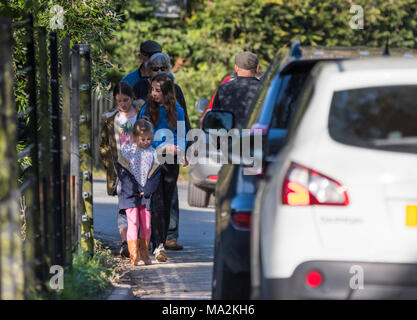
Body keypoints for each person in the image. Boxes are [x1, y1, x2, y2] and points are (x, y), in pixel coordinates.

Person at [134, 53, 191, 251]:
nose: (154, 93)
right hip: (152, 159)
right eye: (152, 89)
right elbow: (141, 136)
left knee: (166, 201)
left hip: (171, 160)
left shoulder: (178, 110)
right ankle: (153, 240)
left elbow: (182, 135)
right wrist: (160, 147)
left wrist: (182, 151)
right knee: (154, 200)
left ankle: (162, 241)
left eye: (157, 91)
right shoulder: (146, 110)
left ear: (167, 92)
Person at [100, 81, 139, 258]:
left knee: (141, 206)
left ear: (132, 98)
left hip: (140, 167)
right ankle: (125, 242)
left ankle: (140, 239)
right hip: (121, 169)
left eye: (125, 100)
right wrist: (110, 166)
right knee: (123, 206)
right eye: (119, 101)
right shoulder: (111, 120)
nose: (123, 104)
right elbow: (104, 146)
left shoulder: (141, 116)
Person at [115, 119, 160, 266]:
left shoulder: (153, 153)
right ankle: (134, 256)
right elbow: (124, 175)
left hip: (146, 195)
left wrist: (147, 190)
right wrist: (135, 190)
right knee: (133, 224)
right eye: (143, 139)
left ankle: (145, 253)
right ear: (135, 137)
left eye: (149, 139)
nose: (146, 142)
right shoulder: (127, 152)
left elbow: (155, 175)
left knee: (146, 225)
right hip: (130, 195)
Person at [212, 51, 261, 128]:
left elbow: (215, 117)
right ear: (257, 68)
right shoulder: (264, 89)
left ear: (236, 68)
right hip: (256, 137)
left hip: (228, 137)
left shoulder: (223, 89)